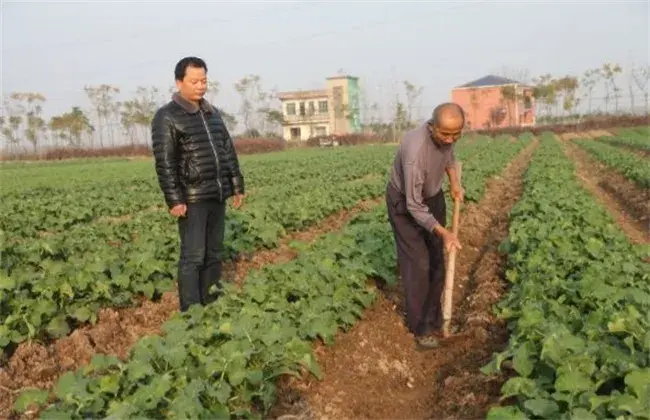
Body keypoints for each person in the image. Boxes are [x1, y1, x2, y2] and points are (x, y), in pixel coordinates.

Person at [151, 56, 245, 312]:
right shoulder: (167, 117)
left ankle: (211, 301)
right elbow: (165, 162)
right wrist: (174, 199)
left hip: (216, 193)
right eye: (194, 81)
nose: (200, 86)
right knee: (193, 256)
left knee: (214, 253)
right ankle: (191, 311)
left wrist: (236, 184)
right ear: (179, 82)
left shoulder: (211, 114)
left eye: (203, 80)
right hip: (192, 197)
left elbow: (227, 150)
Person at [385, 102, 465, 349]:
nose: (451, 139)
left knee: (437, 261)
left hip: (433, 195)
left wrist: (453, 183)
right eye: (445, 134)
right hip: (406, 203)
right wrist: (444, 233)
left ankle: (436, 320)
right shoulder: (415, 152)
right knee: (418, 264)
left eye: (456, 134)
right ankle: (420, 329)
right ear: (432, 127)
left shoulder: (447, 138)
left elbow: (449, 157)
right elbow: (414, 205)